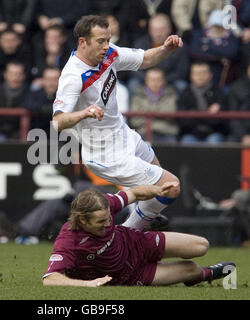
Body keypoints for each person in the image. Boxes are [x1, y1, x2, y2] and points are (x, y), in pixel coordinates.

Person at [52, 15, 182, 231]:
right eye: (100, 41)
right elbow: (57, 122)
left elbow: (146, 59)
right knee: (171, 187)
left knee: (157, 187)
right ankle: (129, 233)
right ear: (82, 42)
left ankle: (144, 217)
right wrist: (83, 113)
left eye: (108, 39)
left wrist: (166, 48)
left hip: (124, 135)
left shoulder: (109, 54)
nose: (106, 46)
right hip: (106, 153)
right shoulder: (72, 76)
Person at [42, 184, 236, 287]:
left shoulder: (104, 204)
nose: (108, 223)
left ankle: (149, 234)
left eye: (109, 218)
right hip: (129, 276)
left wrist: (156, 190)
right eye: (101, 222)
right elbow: (50, 278)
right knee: (191, 269)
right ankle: (203, 275)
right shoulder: (69, 239)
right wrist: (87, 284)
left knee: (201, 246)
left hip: (135, 242)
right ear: (83, 221)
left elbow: (134, 193)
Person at [128, 13, 189, 93]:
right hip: (145, 79)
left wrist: (162, 80)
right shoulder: (140, 43)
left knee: (182, 86)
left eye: (162, 29)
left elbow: (182, 71)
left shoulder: (177, 45)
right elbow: (133, 67)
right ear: (149, 30)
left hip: (169, 80)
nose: (158, 33)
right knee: (133, 84)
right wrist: (149, 79)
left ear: (169, 29)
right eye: (155, 30)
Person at [177, 61, 229, 144]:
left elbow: (222, 120)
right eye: (196, 73)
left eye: (203, 73)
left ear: (210, 75)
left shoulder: (218, 92)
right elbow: (182, 121)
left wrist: (194, 114)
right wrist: (208, 115)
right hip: (191, 133)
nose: (200, 76)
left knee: (214, 141)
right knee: (187, 141)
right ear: (191, 76)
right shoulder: (185, 93)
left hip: (214, 132)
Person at [129, 68, 179, 143]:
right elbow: (135, 121)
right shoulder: (137, 96)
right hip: (143, 134)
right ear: (146, 81)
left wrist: (147, 115)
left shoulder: (172, 95)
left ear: (163, 81)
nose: (155, 83)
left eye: (158, 79)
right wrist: (159, 115)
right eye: (152, 80)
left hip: (166, 133)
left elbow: (171, 115)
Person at [0, 61, 29, 141]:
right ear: (5, 75)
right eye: (12, 74)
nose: (15, 77)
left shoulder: (29, 93)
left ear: (23, 76)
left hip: (20, 133)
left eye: (18, 74)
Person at [23, 67, 60, 136]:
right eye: (48, 79)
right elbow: (28, 105)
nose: (51, 83)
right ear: (43, 80)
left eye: (55, 79)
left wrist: (41, 109)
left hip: (61, 136)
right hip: (37, 134)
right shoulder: (34, 94)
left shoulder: (65, 96)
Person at [227, 61, 250, 144]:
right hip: (240, 133)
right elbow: (233, 117)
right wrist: (243, 135)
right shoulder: (236, 87)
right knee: (230, 143)